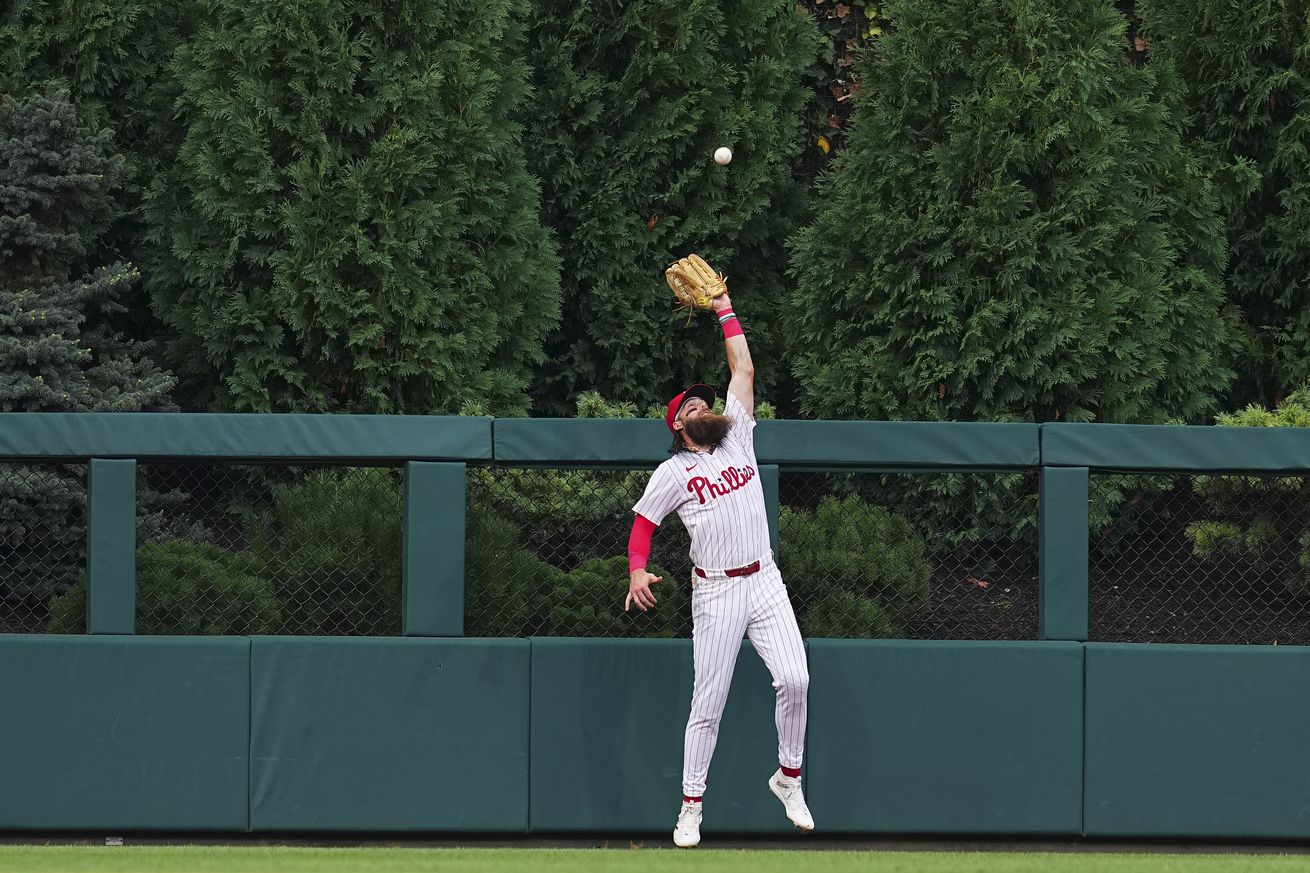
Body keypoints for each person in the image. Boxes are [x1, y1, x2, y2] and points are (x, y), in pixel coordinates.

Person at [624, 289, 813, 848]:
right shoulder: (673, 472)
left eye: (704, 402)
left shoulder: (740, 438)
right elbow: (643, 526)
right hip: (716, 595)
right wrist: (638, 570)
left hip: (764, 580)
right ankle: (690, 806)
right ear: (679, 427)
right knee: (707, 706)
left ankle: (789, 777)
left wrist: (724, 306)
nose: (701, 407)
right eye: (690, 407)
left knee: (796, 678)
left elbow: (744, 365)